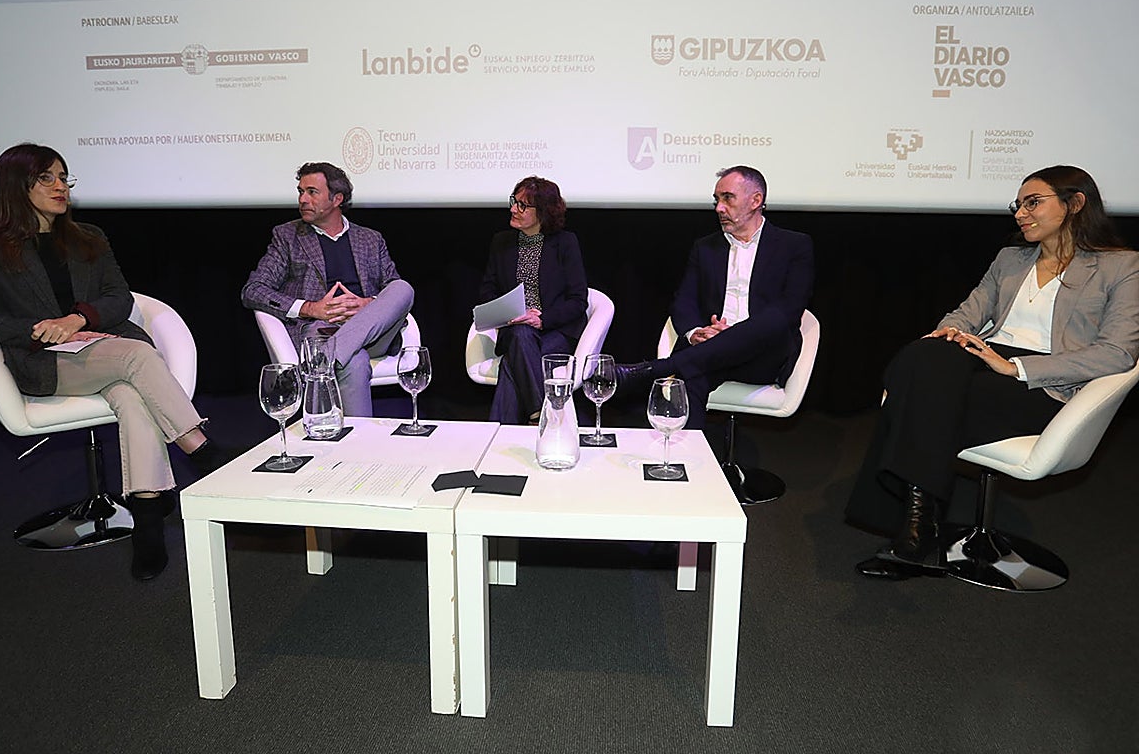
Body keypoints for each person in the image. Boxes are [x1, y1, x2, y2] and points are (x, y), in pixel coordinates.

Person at [0, 143, 234, 581]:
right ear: (15, 184)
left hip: (105, 347)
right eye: (48, 178)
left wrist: (79, 318)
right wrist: (39, 329)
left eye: (64, 178)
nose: (61, 187)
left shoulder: (89, 237)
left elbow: (119, 297)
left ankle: (148, 518)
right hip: (45, 360)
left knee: (132, 397)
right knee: (139, 355)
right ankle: (203, 451)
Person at [845, 165, 1139, 581]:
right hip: (985, 357)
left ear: (1075, 204)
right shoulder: (1011, 259)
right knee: (921, 355)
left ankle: (916, 529)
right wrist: (949, 333)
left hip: (1042, 381)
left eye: (1033, 202)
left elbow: (1117, 353)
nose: (1021, 213)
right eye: (1017, 205)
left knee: (921, 399)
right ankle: (919, 530)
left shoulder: (1121, 266)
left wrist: (1016, 367)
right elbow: (970, 312)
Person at [616, 165, 814, 430]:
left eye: (727, 198)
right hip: (709, 350)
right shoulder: (705, 247)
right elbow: (683, 301)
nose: (719, 208)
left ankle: (656, 369)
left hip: (764, 355)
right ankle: (690, 462)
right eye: (717, 200)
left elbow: (787, 312)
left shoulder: (794, 245)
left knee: (771, 322)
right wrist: (696, 332)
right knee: (692, 374)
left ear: (756, 201)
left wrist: (732, 334)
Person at [241, 162, 414, 417]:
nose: (303, 199)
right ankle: (358, 448)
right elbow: (253, 290)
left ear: (337, 199)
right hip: (321, 330)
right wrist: (311, 308)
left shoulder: (370, 238)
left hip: (371, 332)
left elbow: (391, 287)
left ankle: (325, 360)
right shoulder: (287, 237)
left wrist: (369, 303)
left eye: (312, 192)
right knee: (354, 362)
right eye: (300, 192)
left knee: (403, 288)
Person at [479, 177, 588, 424]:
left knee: (512, 362)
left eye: (522, 206)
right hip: (514, 327)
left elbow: (578, 301)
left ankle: (502, 433)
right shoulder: (502, 242)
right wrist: (506, 310)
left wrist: (541, 319)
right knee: (520, 335)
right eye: (513, 202)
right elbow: (487, 291)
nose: (513, 209)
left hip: (555, 331)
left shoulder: (565, 243)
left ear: (544, 213)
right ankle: (543, 416)